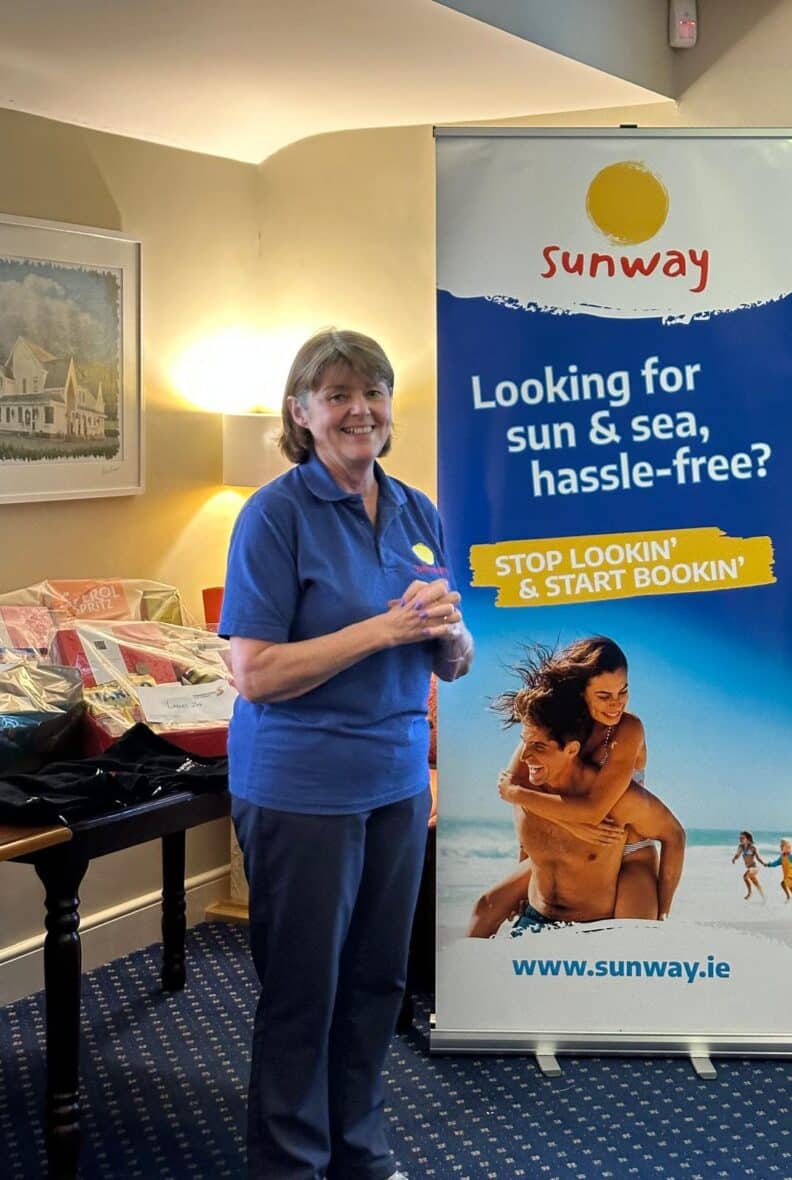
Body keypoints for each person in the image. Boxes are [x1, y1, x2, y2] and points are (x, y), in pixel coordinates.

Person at [220, 328, 473, 1180]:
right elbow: (255, 673)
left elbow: (447, 652)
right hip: (302, 785)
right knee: (305, 991)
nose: (359, 409)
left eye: (372, 391)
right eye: (336, 395)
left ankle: (358, 1153)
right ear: (301, 413)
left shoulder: (416, 510)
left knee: (376, 985)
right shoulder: (273, 516)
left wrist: (451, 640)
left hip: (396, 780)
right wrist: (385, 629)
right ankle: (290, 1165)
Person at [467, 647, 684, 935]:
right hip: (577, 839)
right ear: (581, 692)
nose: (616, 703)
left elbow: (524, 794)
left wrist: (662, 907)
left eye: (623, 691)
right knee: (487, 905)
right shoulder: (557, 724)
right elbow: (519, 786)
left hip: (626, 844)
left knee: (632, 938)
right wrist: (567, 830)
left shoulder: (627, 729)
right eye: (604, 695)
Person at [761, 837, 792, 904]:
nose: (781, 847)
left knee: (791, 887)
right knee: (783, 884)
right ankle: (788, 896)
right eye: (781, 846)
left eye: (783, 845)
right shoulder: (782, 856)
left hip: (790, 874)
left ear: (788, 847)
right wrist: (769, 864)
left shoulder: (791, 856)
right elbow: (776, 863)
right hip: (786, 874)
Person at [732, 830, 765, 901]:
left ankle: (750, 893)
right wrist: (734, 858)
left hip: (755, 868)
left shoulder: (753, 847)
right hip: (749, 868)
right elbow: (738, 855)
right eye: (740, 838)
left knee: (745, 876)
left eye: (742, 838)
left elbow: (758, 858)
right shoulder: (741, 847)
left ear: (748, 838)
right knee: (756, 884)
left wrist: (764, 863)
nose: (740, 839)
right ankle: (764, 898)